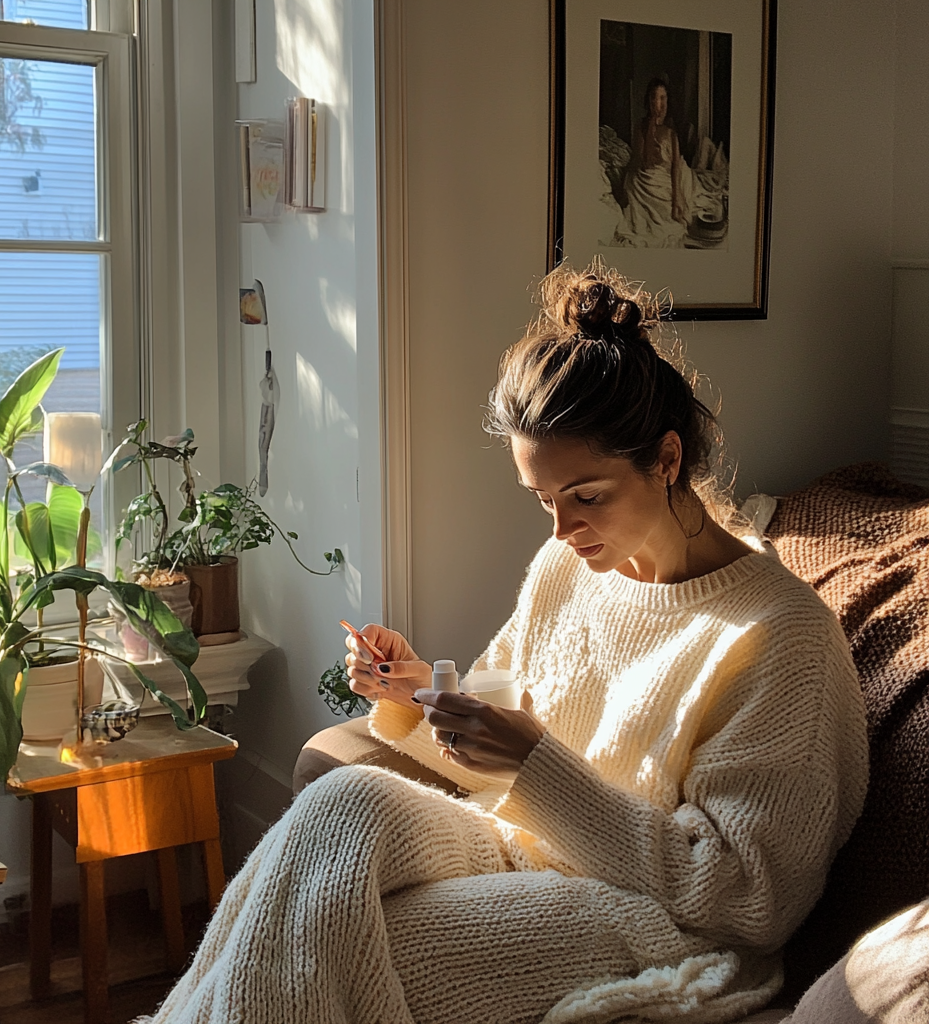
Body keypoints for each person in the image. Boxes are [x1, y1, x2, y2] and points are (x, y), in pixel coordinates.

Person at [143, 263, 868, 1024]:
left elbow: (750, 901)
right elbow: (495, 738)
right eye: (543, 500)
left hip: (656, 921)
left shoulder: (778, 639)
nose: (560, 529)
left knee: (346, 943)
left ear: (666, 459)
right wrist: (419, 692)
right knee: (340, 803)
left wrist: (534, 765)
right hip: (516, 848)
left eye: (586, 496)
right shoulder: (568, 566)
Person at [613, 78, 695, 248]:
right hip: (643, 177)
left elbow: (675, 167)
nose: (658, 103)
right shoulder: (640, 127)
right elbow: (641, 161)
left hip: (664, 177)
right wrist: (651, 128)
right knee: (633, 185)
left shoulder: (671, 131)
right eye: (653, 98)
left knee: (682, 188)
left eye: (662, 98)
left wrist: (677, 199)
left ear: (667, 101)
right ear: (648, 101)